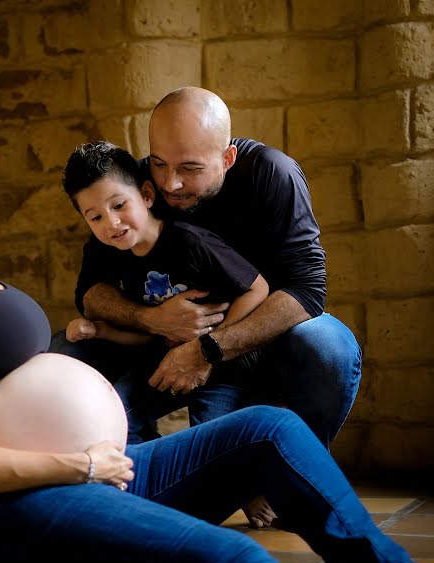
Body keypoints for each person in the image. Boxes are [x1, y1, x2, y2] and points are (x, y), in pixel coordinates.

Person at [0, 112, 434, 563]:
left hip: (91, 476)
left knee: (271, 429)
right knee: (234, 561)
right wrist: (81, 464)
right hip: (1, 510)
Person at [50, 86, 363, 526]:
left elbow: (308, 290)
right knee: (65, 351)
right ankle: (131, 488)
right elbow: (90, 289)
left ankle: (293, 474)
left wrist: (208, 349)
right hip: (162, 339)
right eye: (160, 163)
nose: (171, 183)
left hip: (261, 338)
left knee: (327, 346)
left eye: (190, 169)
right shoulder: (140, 186)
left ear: (228, 159)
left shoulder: (272, 174)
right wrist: (151, 318)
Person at [63, 140, 268, 446]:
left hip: (222, 366)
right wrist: (99, 330)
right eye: (96, 218)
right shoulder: (119, 255)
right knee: (114, 417)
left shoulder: (190, 243)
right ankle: (149, 478)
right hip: (164, 360)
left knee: (212, 442)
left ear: (146, 195)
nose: (112, 223)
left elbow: (258, 288)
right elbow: (150, 334)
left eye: (119, 205)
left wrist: (210, 348)